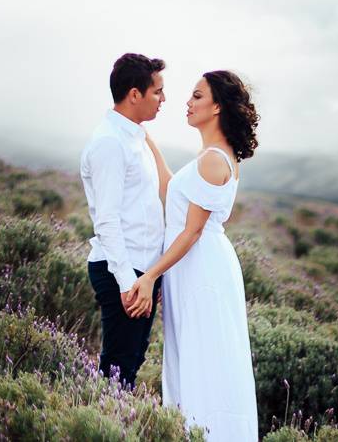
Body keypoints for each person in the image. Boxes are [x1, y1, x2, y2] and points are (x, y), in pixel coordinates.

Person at [128, 70, 260, 441]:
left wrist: (151, 274)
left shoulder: (214, 160)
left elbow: (192, 231)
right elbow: (172, 189)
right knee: (194, 355)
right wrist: (147, 139)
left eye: (197, 96)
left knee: (207, 358)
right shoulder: (209, 157)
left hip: (202, 269)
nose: (188, 102)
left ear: (217, 106)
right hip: (193, 267)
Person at [80, 52, 166, 389]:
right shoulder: (109, 143)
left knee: (128, 366)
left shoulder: (135, 137)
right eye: (157, 91)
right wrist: (128, 283)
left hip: (141, 270)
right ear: (135, 94)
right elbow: (107, 220)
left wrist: (151, 276)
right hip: (122, 270)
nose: (163, 100)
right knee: (117, 372)